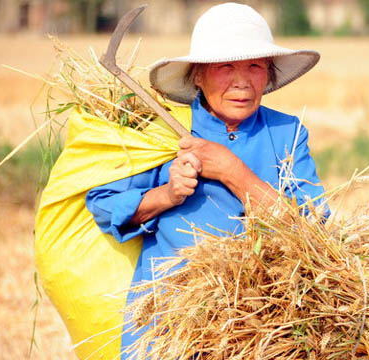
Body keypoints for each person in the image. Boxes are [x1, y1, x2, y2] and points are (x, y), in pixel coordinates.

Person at [85, 2, 327, 357]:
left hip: (261, 328)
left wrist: (233, 171)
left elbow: (313, 229)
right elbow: (104, 207)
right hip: (168, 326)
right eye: (225, 66)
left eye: (255, 66)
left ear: (269, 75)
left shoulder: (287, 134)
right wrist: (166, 195)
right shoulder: (159, 135)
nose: (242, 81)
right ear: (197, 75)